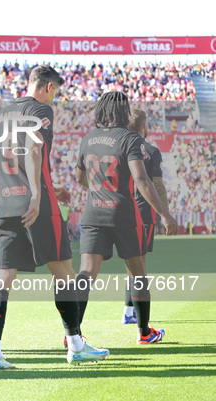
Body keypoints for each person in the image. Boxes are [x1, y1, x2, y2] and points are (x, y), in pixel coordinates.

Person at [0, 65, 109, 369]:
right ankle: (76, 346)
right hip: (36, 204)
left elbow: (10, 159)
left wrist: (50, 184)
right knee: (65, 274)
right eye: (57, 92)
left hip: (7, 202)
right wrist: (40, 194)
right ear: (49, 87)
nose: (56, 98)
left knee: (4, 278)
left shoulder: (3, 114)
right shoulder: (41, 109)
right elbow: (33, 148)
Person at [76, 91, 178, 346]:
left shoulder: (87, 139)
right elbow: (142, 180)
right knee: (139, 274)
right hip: (123, 213)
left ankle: (73, 334)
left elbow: (80, 179)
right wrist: (164, 214)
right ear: (123, 112)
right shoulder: (131, 138)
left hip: (92, 213)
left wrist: (100, 190)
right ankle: (144, 333)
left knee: (86, 272)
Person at [121, 109, 170, 324]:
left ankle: (128, 311)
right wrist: (165, 213)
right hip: (143, 211)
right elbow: (157, 185)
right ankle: (134, 317)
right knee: (139, 265)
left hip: (123, 211)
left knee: (131, 266)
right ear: (143, 126)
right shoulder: (150, 150)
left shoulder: (119, 147)